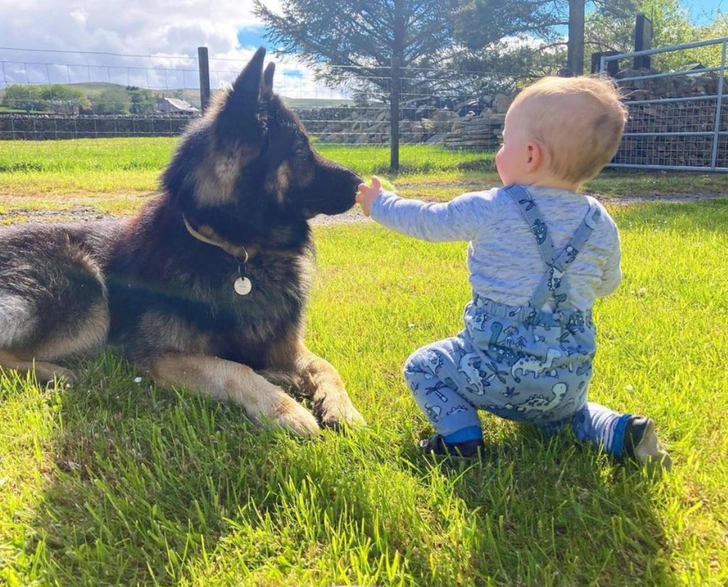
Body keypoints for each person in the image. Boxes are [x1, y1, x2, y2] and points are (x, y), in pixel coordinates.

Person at [356, 75, 671, 469]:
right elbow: (608, 283)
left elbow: (428, 221)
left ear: (529, 155)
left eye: (504, 142)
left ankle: (461, 440)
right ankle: (621, 430)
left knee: (422, 366)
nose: (498, 151)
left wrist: (382, 203)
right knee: (566, 415)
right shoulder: (600, 219)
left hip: (493, 370)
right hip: (566, 379)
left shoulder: (493, 206)